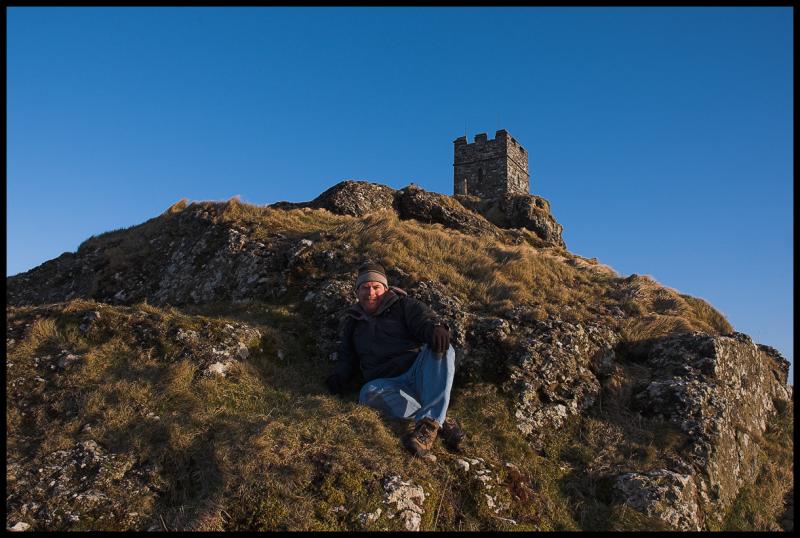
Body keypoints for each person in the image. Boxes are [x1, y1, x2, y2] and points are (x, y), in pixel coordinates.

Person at [325, 261, 465, 456]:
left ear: (385, 288)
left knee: (442, 348)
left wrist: (435, 328)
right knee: (367, 393)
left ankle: (428, 426)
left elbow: (423, 320)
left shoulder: (403, 305)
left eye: (376, 287)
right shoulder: (353, 323)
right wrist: (338, 378)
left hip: (418, 373)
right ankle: (438, 420)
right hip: (388, 384)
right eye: (365, 287)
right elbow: (347, 357)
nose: (370, 292)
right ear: (357, 292)